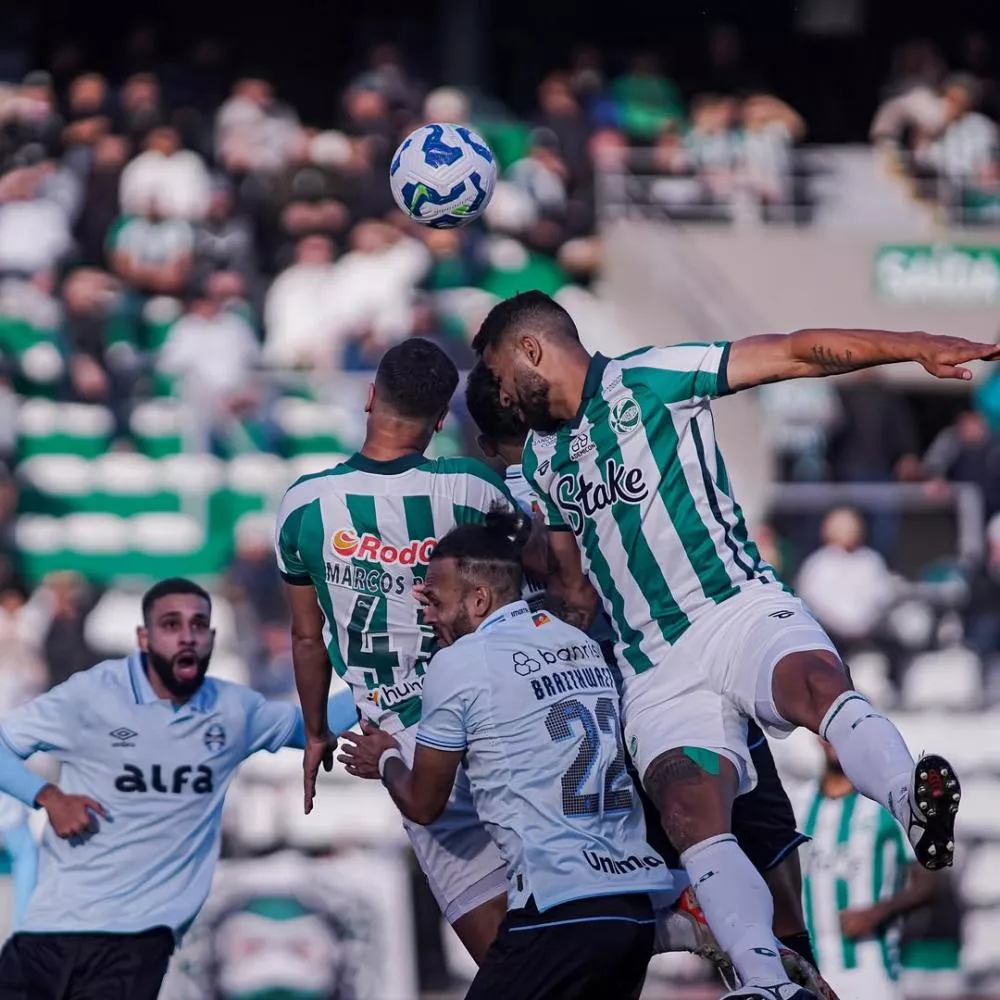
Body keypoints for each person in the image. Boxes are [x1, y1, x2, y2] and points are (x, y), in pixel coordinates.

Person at [473, 290, 980, 1000]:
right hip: (653, 668)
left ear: (533, 350)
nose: (499, 393)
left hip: (733, 607)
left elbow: (796, 350)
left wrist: (915, 344)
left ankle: (911, 802)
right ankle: (765, 983)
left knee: (815, 684)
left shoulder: (652, 377)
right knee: (690, 813)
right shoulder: (549, 460)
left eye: (499, 374)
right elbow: (576, 589)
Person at [463, 362, 826, 978]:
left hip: (617, 711)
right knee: (765, 845)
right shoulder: (590, 449)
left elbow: (555, 587)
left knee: (617, 898)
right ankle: (791, 968)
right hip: (696, 668)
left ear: (484, 440)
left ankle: (730, 947)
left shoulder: (503, 510)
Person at [338, 509, 680, 1000]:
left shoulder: (460, 662)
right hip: (629, 909)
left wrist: (386, 758)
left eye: (434, 601)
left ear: (479, 598)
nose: (427, 615)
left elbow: (423, 803)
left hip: (559, 907)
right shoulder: (577, 641)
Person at [276, 337, 517, 964]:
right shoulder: (470, 487)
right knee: (566, 893)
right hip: (495, 715)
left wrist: (313, 731)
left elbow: (306, 636)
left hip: (403, 739)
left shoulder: (304, 504)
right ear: (441, 421)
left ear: (369, 397)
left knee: (498, 946)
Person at [0, 577, 357, 1000]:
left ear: (211, 638)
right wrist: (48, 797)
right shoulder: (91, 695)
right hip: (49, 928)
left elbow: (310, 727)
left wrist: (376, 687)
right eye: (171, 624)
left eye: (198, 625)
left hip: (137, 938)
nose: (187, 636)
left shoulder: (232, 711)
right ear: (143, 637)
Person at [797, 739, 935, 1000]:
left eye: (846, 731)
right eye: (829, 730)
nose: (836, 739)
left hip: (871, 971)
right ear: (817, 737)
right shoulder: (797, 804)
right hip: (809, 970)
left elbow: (927, 882)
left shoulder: (888, 804)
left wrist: (879, 911)